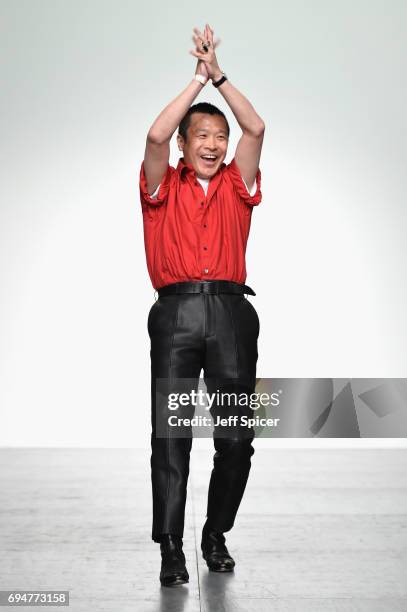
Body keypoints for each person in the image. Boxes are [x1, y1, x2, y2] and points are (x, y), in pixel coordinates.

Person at [139, 24, 265, 587]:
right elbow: (155, 134)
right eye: (203, 137)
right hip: (177, 315)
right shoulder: (163, 184)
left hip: (233, 315)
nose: (214, 144)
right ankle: (171, 545)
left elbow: (256, 126)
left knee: (237, 435)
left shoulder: (240, 184)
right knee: (171, 433)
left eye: (220, 135)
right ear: (187, 146)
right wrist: (196, 81)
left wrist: (222, 75)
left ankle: (215, 531)